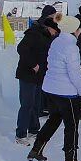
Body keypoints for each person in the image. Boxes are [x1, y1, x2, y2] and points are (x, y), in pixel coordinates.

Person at [27, 14, 81, 161]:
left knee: (53, 120)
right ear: (74, 31)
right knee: (72, 126)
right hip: (66, 93)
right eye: (78, 28)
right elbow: (74, 73)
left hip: (51, 89)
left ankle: (36, 150)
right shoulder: (71, 47)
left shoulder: (56, 42)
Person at [14, 13, 59, 146]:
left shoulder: (46, 37)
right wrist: (33, 64)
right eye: (54, 31)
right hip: (27, 75)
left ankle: (34, 130)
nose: (55, 34)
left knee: (36, 105)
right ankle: (20, 134)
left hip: (39, 77)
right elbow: (21, 49)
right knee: (27, 105)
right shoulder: (33, 34)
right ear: (49, 28)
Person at [37, 5, 58, 117]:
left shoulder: (42, 23)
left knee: (44, 84)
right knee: (43, 84)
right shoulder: (44, 25)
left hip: (46, 57)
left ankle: (44, 106)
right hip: (43, 58)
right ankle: (42, 107)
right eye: (53, 15)